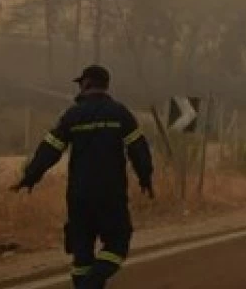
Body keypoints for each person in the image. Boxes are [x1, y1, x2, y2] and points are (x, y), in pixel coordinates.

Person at [11, 65, 154, 289]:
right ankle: (91, 284)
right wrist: (145, 177)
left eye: (80, 83)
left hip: (79, 196)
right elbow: (138, 148)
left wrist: (30, 176)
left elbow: (50, 149)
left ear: (87, 83)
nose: (79, 88)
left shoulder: (72, 115)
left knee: (82, 254)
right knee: (117, 244)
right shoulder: (120, 113)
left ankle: (85, 284)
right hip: (111, 194)